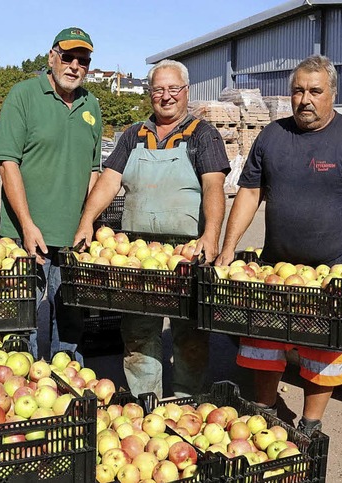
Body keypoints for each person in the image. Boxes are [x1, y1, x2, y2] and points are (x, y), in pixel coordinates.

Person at [216, 55, 342, 435]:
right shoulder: (272, 135)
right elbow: (249, 191)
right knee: (263, 341)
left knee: (323, 351)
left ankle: (310, 424)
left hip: (332, 273)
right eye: (298, 90)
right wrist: (229, 246)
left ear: (332, 94)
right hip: (275, 267)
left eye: (315, 91)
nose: (305, 99)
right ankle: (265, 410)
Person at [74, 59, 230, 398]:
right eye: (158, 89)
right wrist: (87, 221)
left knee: (190, 335)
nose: (166, 96)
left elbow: (213, 187)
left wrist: (212, 234)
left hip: (187, 251)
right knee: (138, 335)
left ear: (186, 92)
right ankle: (147, 404)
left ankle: (186, 402)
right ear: (150, 94)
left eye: (174, 89)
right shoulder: (134, 135)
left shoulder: (202, 134)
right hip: (136, 253)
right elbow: (109, 181)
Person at [0, 27, 102, 360]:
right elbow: (7, 163)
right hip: (24, 233)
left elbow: (94, 171)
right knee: (20, 319)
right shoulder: (23, 95)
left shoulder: (92, 105)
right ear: (51, 57)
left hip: (72, 235)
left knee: (70, 321)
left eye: (82, 61)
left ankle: (65, 394)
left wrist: (88, 222)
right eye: (67, 57)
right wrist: (26, 224)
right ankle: (20, 391)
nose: (74, 66)